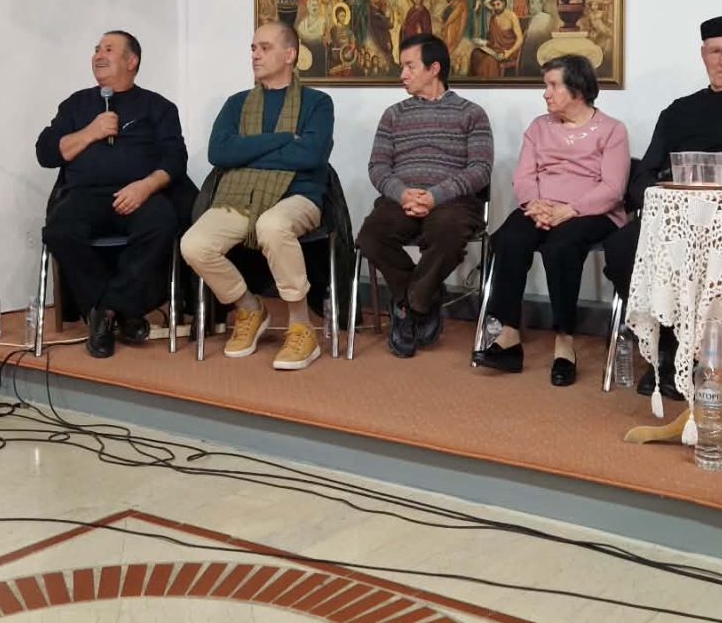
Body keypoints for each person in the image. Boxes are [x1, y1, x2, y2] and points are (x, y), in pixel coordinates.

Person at [603, 15, 722, 398]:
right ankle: (668, 347)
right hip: (677, 223)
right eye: (716, 52)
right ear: (703, 54)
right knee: (622, 247)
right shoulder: (679, 110)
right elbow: (645, 173)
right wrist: (660, 196)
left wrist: (717, 200)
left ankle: (697, 355)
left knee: (707, 259)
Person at [181, 22, 334, 371]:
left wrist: (246, 151)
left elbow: (311, 155)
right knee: (194, 244)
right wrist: (282, 139)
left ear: (290, 55)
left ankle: (301, 326)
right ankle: (249, 308)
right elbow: (220, 152)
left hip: (298, 195)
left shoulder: (317, 103)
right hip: (240, 197)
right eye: (253, 48)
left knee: (272, 225)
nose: (255, 55)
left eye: (264, 48)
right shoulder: (237, 104)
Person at [473, 56, 629, 385]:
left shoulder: (612, 130)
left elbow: (613, 189)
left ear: (578, 89)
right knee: (509, 237)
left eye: (553, 85)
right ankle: (509, 336)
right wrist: (535, 204)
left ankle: (564, 341)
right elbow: (523, 176)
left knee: (561, 247)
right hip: (541, 207)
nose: (545, 93)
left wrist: (569, 210)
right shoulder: (538, 127)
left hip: (592, 212)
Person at [37, 31, 188, 359]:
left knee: (162, 224)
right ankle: (118, 311)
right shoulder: (76, 104)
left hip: (140, 194)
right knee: (59, 230)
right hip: (86, 196)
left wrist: (145, 186)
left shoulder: (158, 107)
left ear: (131, 61)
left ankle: (105, 311)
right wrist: (91, 132)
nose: (98, 55)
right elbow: (45, 152)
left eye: (108, 49)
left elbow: (176, 160)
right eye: (96, 50)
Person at [356, 33, 493, 357]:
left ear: (434, 69)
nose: (402, 74)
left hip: (452, 203)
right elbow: (378, 167)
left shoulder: (471, 113)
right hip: (400, 200)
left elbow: (480, 169)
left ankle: (410, 306)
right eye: (402, 66)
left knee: (448, 233)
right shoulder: (393, 114)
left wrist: (435, 196)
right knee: (370, 237)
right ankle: (424, 296)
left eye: (409, 66)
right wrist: (403, 194)